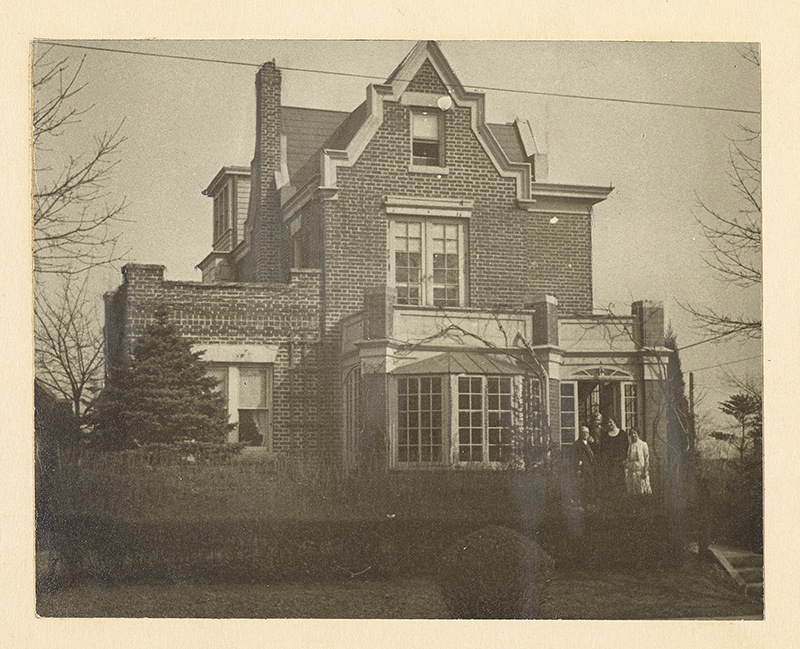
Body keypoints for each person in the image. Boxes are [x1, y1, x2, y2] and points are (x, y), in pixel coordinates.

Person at [599, 417, 628, 495]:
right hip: (609, 463)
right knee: (611, 483)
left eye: (611, 422)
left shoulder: (622, 434)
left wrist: (625, 459)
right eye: (608, 423)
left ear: (615, 422)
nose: (609, 424)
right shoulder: (605, 436)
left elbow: (626, 447)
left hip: (620, 463)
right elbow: (602, 449)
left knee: (620, 483)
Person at [625, 428, 652, 495]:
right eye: (632, 434)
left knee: (642, 492)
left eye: (635, 433)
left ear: (638, 433)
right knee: (633, 493)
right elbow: (629, 458)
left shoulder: (643, 444)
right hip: (632, 473)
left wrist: (645, 471)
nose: (633, 435)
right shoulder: (630, 445)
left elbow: (646, 459)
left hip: (641, 473)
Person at [575, 426, 596, 501]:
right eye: (584, 432)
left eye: (587, 432)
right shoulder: (577, 444)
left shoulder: (590, 444)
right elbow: (575, 458)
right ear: (580, 433)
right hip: (583, 469)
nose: (586, 434)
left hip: (591, 468)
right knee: (584, 487)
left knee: (591, 486)